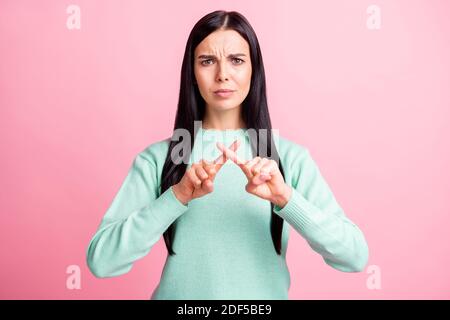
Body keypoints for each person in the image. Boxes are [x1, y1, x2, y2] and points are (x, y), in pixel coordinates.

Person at [86, 10, 369, 300]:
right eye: (208, 61)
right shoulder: (160, 159)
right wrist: (177, 196)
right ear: (192, 73)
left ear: (253, 70)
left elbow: (354, 256)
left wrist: (286, 198)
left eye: (236, 60)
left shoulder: (288, 159)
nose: (222, 74)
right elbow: (102, 262)